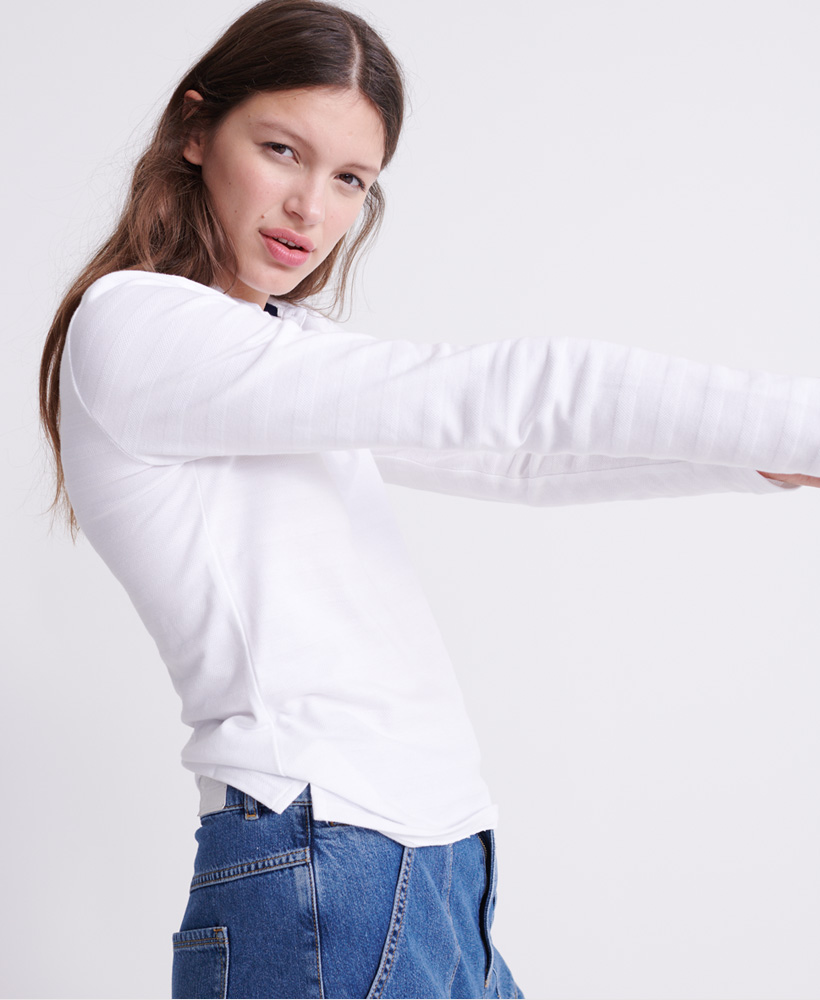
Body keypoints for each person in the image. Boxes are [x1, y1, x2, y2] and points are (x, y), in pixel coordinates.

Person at [37, 1, 820, 997]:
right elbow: (493, 394)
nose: (309, 210)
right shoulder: (138, 326)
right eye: (281, 149)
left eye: (351, 179)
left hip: (431, 862)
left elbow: (521, 461)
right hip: (323, 855)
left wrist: (758, 464)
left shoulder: (279, 353)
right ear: (196, 130)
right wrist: (793, 420)